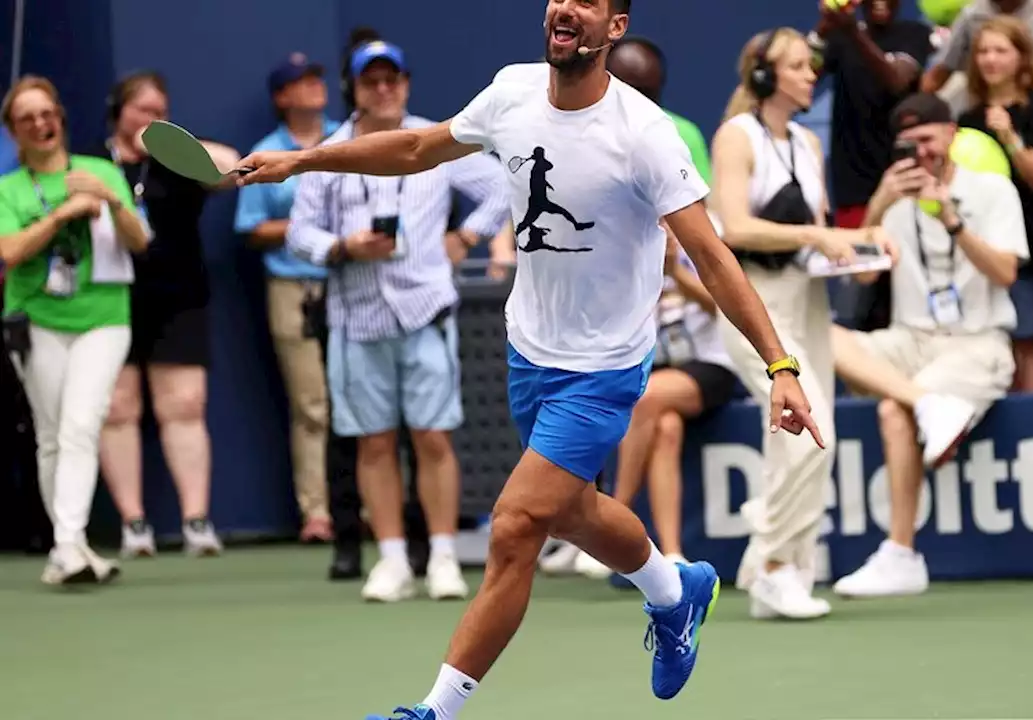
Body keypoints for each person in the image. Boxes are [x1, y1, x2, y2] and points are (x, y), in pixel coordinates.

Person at [238, 0, 822, 715]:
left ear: (614, 28)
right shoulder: (510, 92)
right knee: (574, 512)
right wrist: (304, 159)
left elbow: (710, 254)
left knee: (516, 526)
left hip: (605, 368)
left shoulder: (644, 134)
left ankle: (430, 711)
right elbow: (419, 151)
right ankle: (676, 592)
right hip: (529, 352)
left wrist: (780, 365)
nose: (562, 7)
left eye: (586, 0)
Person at [709, 28, 971, 619]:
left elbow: (820, 242)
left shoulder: (806, 141)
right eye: (798, 65)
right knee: (809, 428)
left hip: (805, 298)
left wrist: (867, 239)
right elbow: (736, 228)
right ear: (762, 76)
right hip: (753, 301)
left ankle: (783, 567)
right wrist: (820, 234)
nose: (810, 75)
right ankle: (774, 567)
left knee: (802, 443)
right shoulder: (736, 137)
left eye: (811, 66)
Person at [287, 39, 509, 603]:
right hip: (357, 317)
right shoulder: (329, 152)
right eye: (371, 81)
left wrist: (466, 237)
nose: (384, 90)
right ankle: (390, 560)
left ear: (406, 84)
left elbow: (503, 186)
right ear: (354, 90)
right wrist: (344, 246)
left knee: (434, 437)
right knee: (374, 443)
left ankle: (439, 556)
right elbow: (300, 233)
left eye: (393, 79)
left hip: (425, 309)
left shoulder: (434, 139)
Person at [541, 34, 728, 578]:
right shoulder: (609, 222)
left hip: (707, 360)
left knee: (648, 405)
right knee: (663, 427)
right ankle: (668, 556)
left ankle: (607, 530)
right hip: (642, 358)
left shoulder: (692, 215)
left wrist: (675, 271)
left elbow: (718, 298)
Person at [829, 93, 1026, 597]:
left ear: (952, 134)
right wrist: (877, 206)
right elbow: (862, 281)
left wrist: (951, 220)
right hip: (911, 339)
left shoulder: (993, 189)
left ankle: (900, 553)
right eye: (909, 143)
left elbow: (1005, 272)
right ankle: (931, 405)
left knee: (894, 412)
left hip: (976, 343)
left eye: (928, 139)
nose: (920, 152)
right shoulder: (893, 199)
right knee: (815, 337)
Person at [0, 76, 150, 585]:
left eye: (48, 114)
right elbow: (9, 251)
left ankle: (65, 546)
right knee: (51, 437)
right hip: (36, 320)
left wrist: (109, 199)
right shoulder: (9, 189)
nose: (41, 124)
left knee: (81, 424)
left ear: (60, 118)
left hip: (104, 316)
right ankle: (73, 546)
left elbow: (139, 239)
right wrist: (63, 212)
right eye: (27, 119)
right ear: (14, 133)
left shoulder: (99, 169)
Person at [95, 71, 240, 557]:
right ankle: (134, 524)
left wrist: (170, 144)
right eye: (140, 110)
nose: (149, 119)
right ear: (118, 112)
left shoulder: (179, 158)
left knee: (184, 405)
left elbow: (230, 170)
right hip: (111, 299)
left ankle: (196, 521)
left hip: (179, 297)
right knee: (118, 407)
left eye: (160, 112)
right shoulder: (94, 164)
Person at [234, 53, 342, 544]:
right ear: (281, 97)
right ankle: (317, 513)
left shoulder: (349, 138)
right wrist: (309, 231)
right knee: (312, 405)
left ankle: (375, 509)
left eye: (316, 77)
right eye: (300, 82)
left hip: (354, 283)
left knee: (368, 403)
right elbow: (251, 227)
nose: (313, 87)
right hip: (291, 288)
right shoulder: (264, 152)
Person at [811, 0, 934, 334]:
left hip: (903, 187)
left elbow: (895, 79)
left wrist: (853, 33)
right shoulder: (840, 37)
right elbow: (806, 75)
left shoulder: (914, 34)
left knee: (902, 297)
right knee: (859, 299)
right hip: (854, 188)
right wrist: (823, 31)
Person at [957, 16, 1033, 391]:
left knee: (1031, 343)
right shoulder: (966, 119)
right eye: (983, 51)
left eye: (1000, 50)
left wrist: (1008, 135)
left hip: (1028, 244)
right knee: (990, 345)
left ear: (1021, 58)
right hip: (981, 250)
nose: (990, 59)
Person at [606, 36, 712, 184]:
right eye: (627, 90)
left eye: (646, 93)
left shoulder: (683, 133)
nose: (637, 103)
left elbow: (701, 201)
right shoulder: (581, 129)